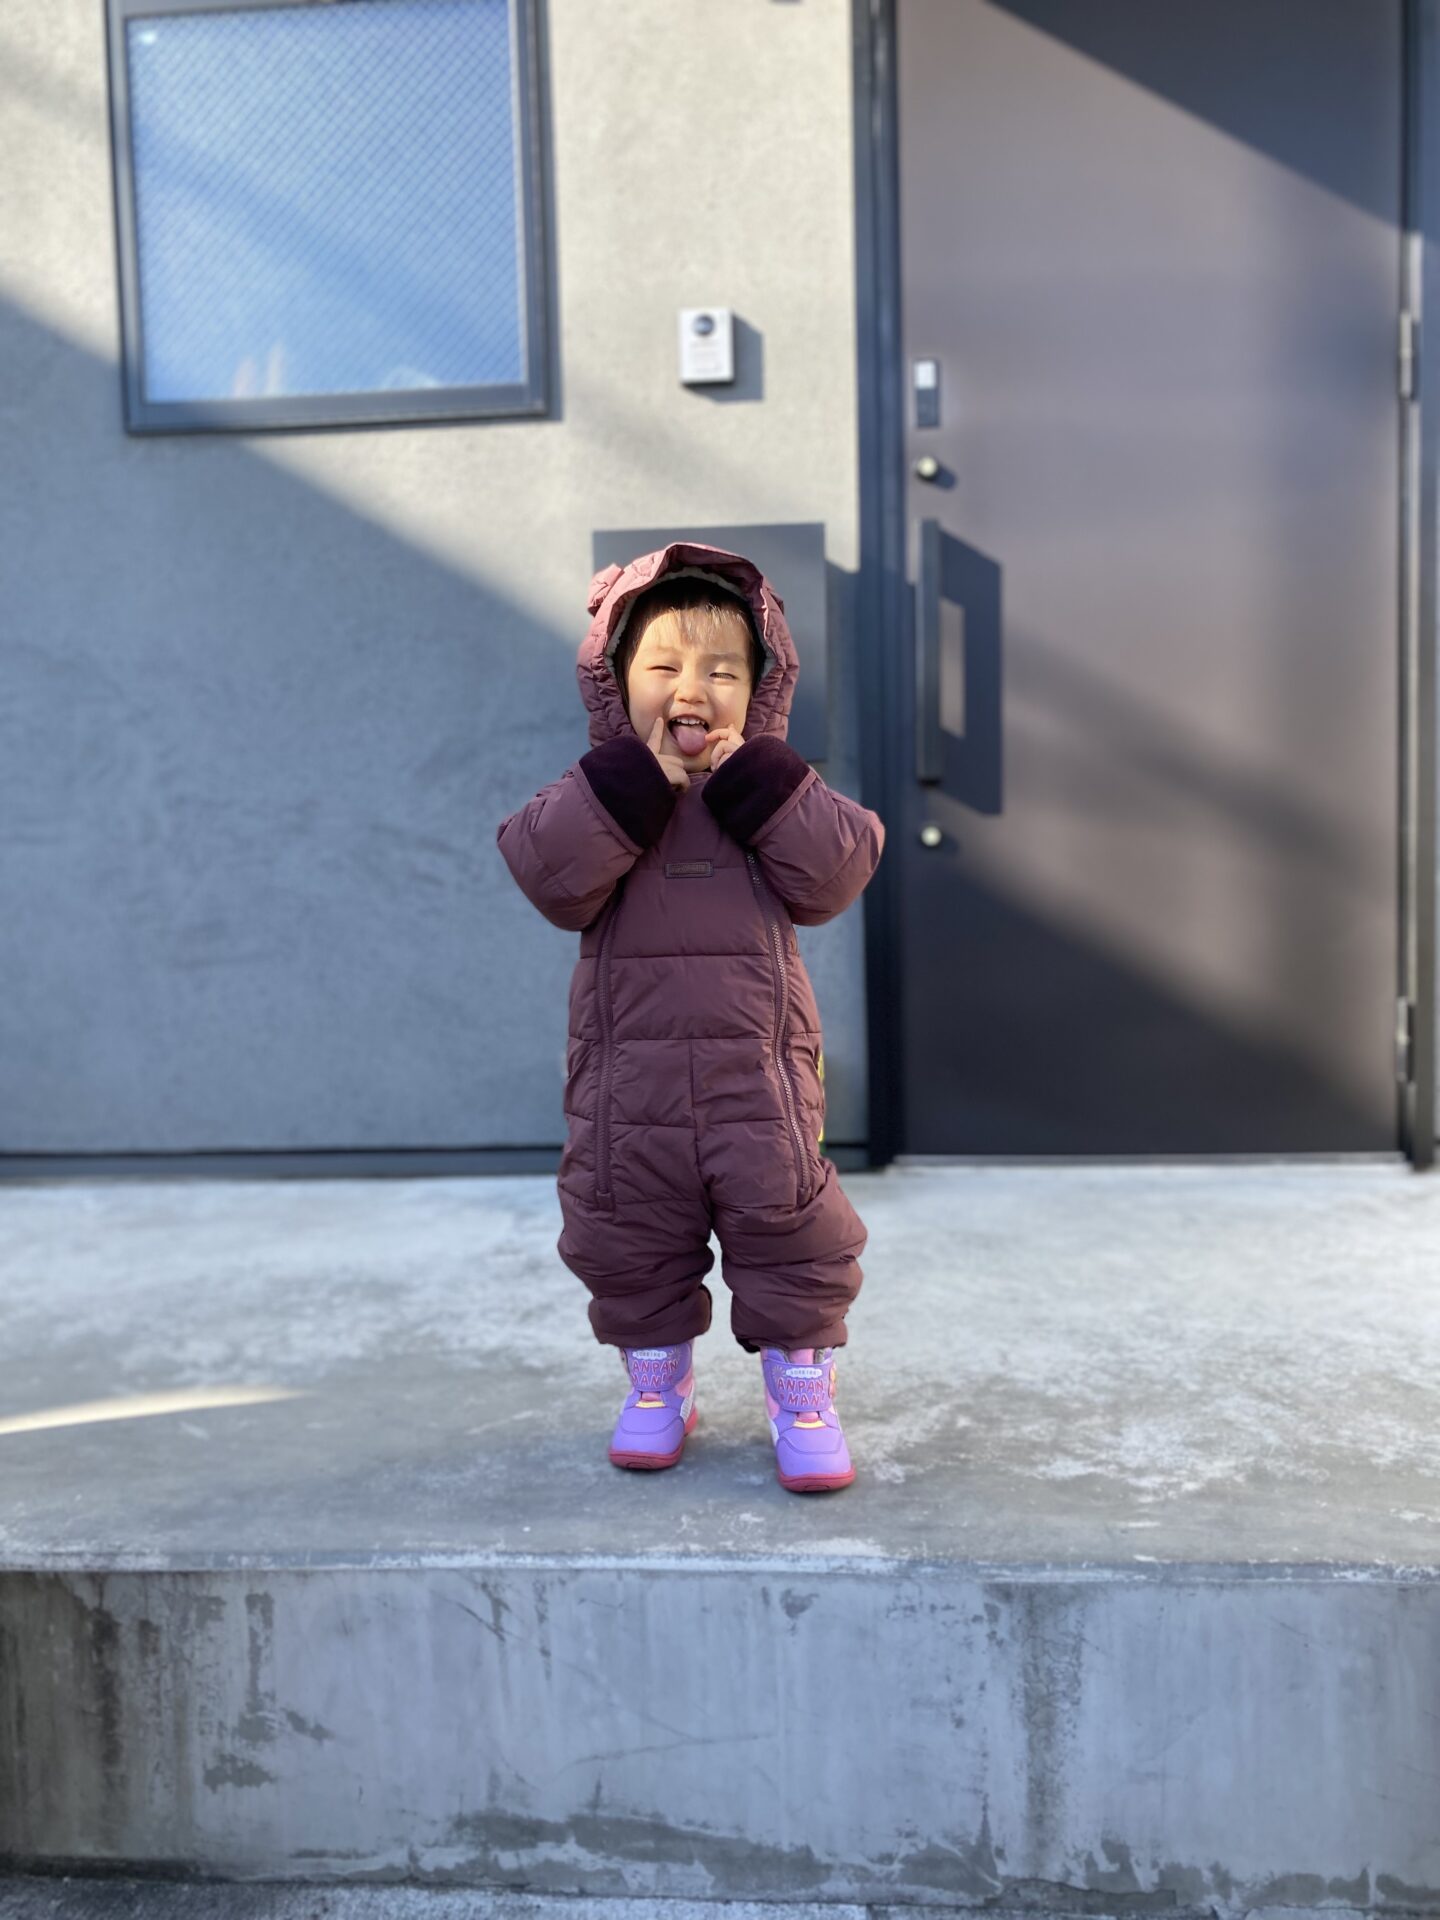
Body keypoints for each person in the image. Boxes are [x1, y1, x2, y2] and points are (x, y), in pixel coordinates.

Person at [495, 542, 885, 1492]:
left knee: (792, 1228)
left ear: (760, 690)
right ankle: (657, 1385)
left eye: (722, 671)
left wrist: (765, 782)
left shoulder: (767, 792)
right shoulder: (602, 793)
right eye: (663, 667)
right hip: (631, 1087)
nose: (692, 689)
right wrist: (633, 784)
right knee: (624, 1229)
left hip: (759, 1081)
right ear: (614, 684)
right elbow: (545, 872)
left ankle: (802, 1394)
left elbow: (838, 872)